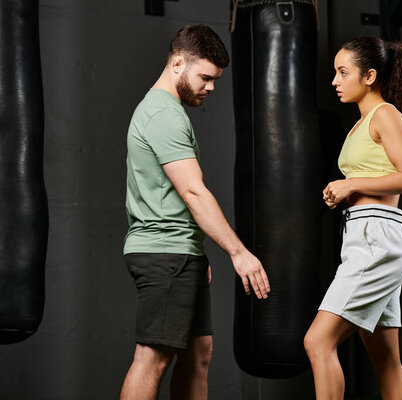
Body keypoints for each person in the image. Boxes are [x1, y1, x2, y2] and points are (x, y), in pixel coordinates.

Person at [120, 25, 270, 400]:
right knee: (152, 357)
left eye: (215, 79)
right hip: (164, 251)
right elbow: (192, 190)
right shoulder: (163, 115)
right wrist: (239, 253)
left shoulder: (167, 111)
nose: (211, 87)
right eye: (205, 76)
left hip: (180, 250)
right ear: (177, 63)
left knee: (199, 354)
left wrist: (194, 248)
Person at [304, 36, 402, 400]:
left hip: (377, 241)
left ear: (369, 75)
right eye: (335, 72)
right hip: (365, 236)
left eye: (344, 72)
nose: (335, 81)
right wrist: (343, 191)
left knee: (318, 341)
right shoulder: (360, 124)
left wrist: (350, 184)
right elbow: (374, 176)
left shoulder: (386, 114)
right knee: (386, 359)